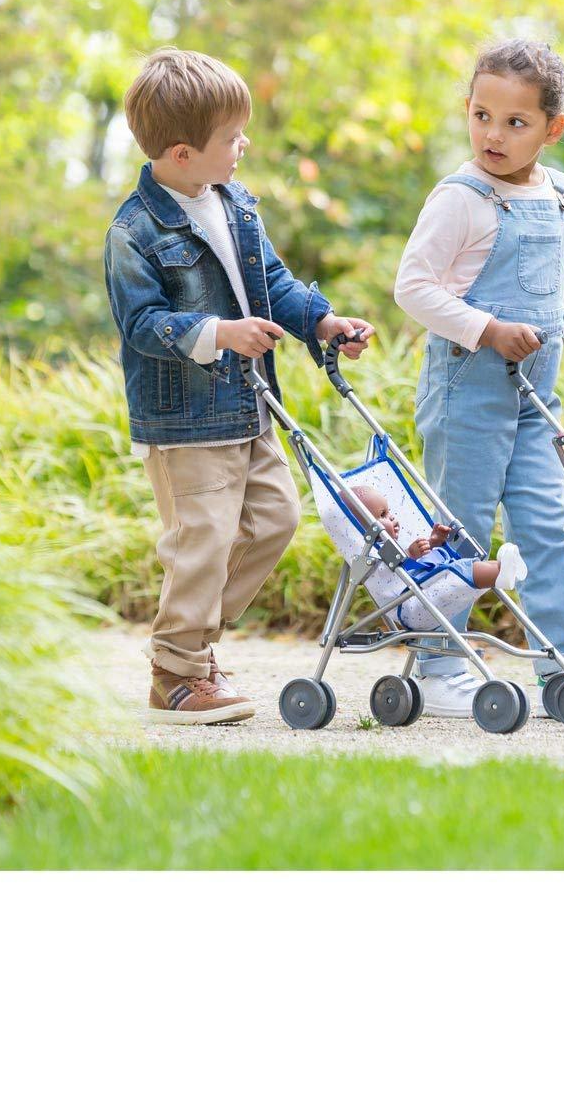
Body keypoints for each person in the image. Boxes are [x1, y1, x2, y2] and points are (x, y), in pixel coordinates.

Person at [104, 47, 373, 724]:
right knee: (202, 538)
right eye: (231, 137)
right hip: (187, 417)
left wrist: (323, 321)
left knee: (276, 517)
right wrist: (221, 333)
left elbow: (272, 282)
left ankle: (188, 645)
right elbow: (141, 324)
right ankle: (178, 672)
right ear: (182, 153)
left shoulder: (234, 204)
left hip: (249, 403)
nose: (243, 145)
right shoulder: (133, 231)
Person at [393, 36, 564, 718]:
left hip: (536, 397)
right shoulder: (460, 199)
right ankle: (437, 667)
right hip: (467, 393)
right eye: (481, 116)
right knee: (461, 531)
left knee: (547, 530)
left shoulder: (559, 193)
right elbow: (413, 288)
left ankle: (561, 670)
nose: (493, 136)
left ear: (552, 129)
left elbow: (553, 284)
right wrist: (486, 329)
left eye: (515, 122)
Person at [348, 483, 526, 630]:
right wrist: (410, 554)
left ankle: (505, 570)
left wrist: (433, 543)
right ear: (366, 529)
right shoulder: (373, 555)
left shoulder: (392, 546)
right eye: (382, 515)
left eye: (388, 511)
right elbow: (391, 574)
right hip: (413, 606)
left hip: (424, 592)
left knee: (464, 565)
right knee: (462, 569)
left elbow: (422, 567)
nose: (392, 517)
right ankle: (501, 573)